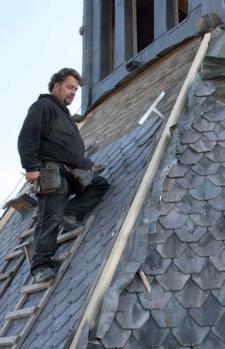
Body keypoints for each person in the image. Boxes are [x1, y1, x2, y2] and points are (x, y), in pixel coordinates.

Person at [18, 68, 109, 283]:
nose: (73, 93)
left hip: (73, 174)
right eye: (70, 87)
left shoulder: (64, 115)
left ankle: (70, 213)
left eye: (76, 90)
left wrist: (88, 164)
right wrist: (30, 167)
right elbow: (27, 137)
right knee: (49, 220)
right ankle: (41, 266)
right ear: (56, 85)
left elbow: (64, 147)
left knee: (99, 184)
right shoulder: (44, 106)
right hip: (52, 174)